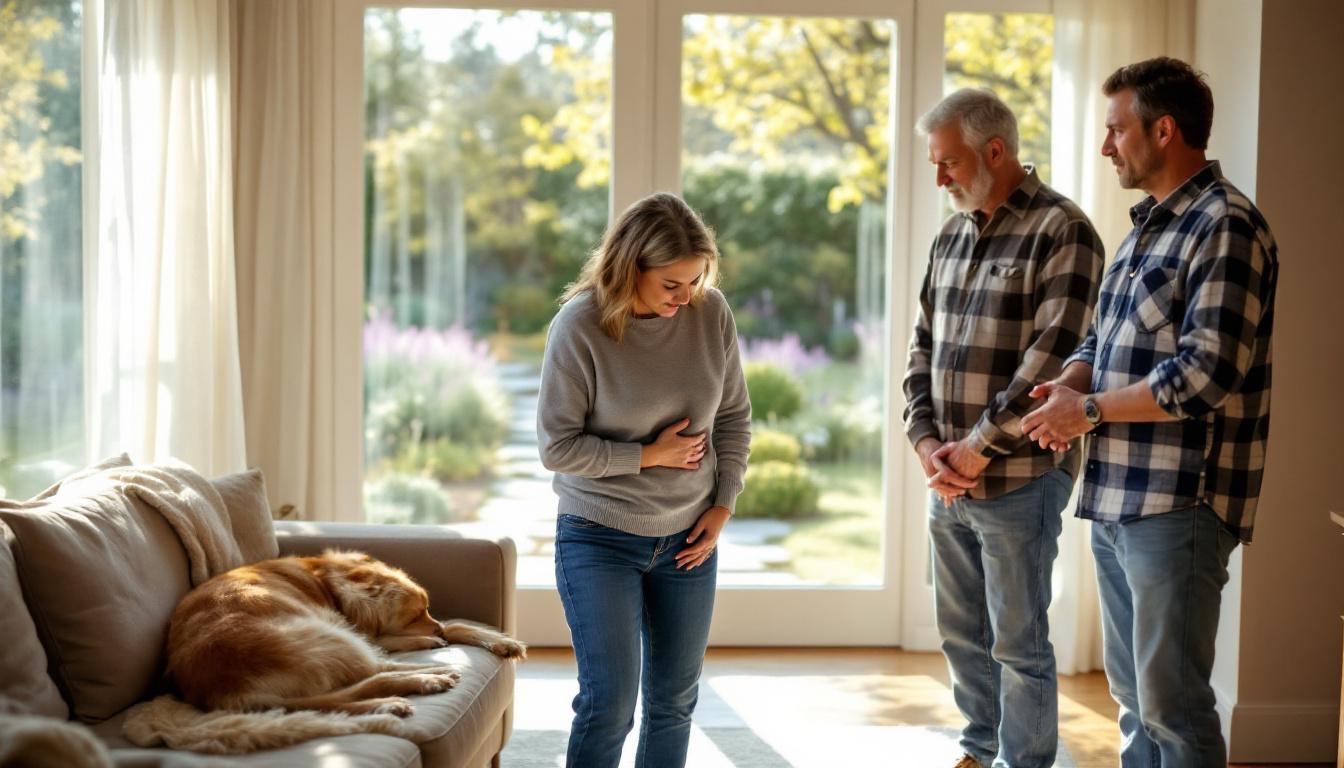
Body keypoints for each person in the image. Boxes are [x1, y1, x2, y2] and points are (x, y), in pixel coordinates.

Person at [1021, 57, 1278, 765]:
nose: (1106, 147)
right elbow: (1100, 339)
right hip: (1118, 496)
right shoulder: (1142, 232)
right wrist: (1069, 389)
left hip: (1180, 501)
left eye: (1116, 130)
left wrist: (1090, 412)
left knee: (1173, 705)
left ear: (1164, 130)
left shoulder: (1225, 225)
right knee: (1135, 701)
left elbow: (1206, 375)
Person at [903, 88, 1104, 768]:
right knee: (961, 633)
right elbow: (920, 348)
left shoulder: (1063, 231)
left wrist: (975, 449)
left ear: (995, 151)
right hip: (949, 480)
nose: (940, 178)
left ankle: (1024, 762)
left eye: (949, 162)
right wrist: (928, 443)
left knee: (1018, 640)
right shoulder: (950, 234)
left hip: (1021, 478)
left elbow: (1051, 362)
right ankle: (978, 748)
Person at [536, 192, 752, 768]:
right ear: (631, 268)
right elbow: (557, 447)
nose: (686, 299)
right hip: (598, 535)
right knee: (609, 704)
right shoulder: (579, 327)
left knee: (674, 703)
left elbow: (733, 416)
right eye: (671, 286)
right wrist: (648, 456)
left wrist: (722, 504)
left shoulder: (711, 314)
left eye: (695, 282)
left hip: (688, 539)